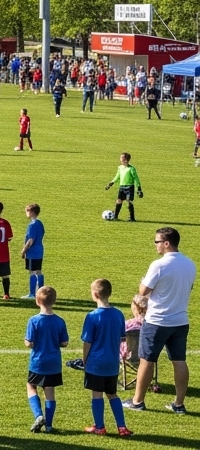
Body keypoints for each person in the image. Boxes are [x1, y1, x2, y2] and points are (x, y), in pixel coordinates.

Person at [125, 226, 194, 413]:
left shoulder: (159, 265)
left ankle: (137, 401)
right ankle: (179, 404)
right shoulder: (190, 264)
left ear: (166, 243)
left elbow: (143, 291)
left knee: (146, 360)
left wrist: (143, 281)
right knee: (179, 360)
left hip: (157, 321)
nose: (155, 245)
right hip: (180, 320)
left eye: (157, 242)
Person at [80, 278, 131, 436]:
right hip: (112, 363)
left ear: (95, 294)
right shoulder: (118, 314)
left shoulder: (92, 316)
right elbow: (122, 338)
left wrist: (85, 360)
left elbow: (87, 342)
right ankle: (122, 427)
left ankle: (100, 427)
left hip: (96, 363)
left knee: (97, 394)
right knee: (112, 394)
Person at [25, 285, 69, 433]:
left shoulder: (34, 321)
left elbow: (29, 342)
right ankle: (49, 425)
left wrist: (31, 343)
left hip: (38, 361)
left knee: (31, 386)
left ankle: (38, 415)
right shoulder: (60, 321)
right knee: (49, 391)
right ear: (54, 301)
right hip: (54, 362)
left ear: (37, 301)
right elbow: (64, 342)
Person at [105, 152, 143, 222]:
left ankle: (132, 218)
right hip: (122, 187)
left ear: (126, 159)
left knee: (129, 202)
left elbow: (136, 179)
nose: (120, 158)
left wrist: (139, 189)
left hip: (129, 187)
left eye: (122, 157)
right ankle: (115, 217)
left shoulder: (131, 169)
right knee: (118, 201)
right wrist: (110, 184)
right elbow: (117, 177)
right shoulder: (120, 167)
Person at [23, 203, 46, 299]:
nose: (26, 213)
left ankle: (32, 294)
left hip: (32, 252)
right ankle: (41, 292)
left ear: (32, 212)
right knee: (38, 271)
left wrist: (24, 251)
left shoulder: (32, 225)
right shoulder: (40, 223)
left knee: (33, 272)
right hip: (39, 250)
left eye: (27, 211)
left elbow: (30, 240)